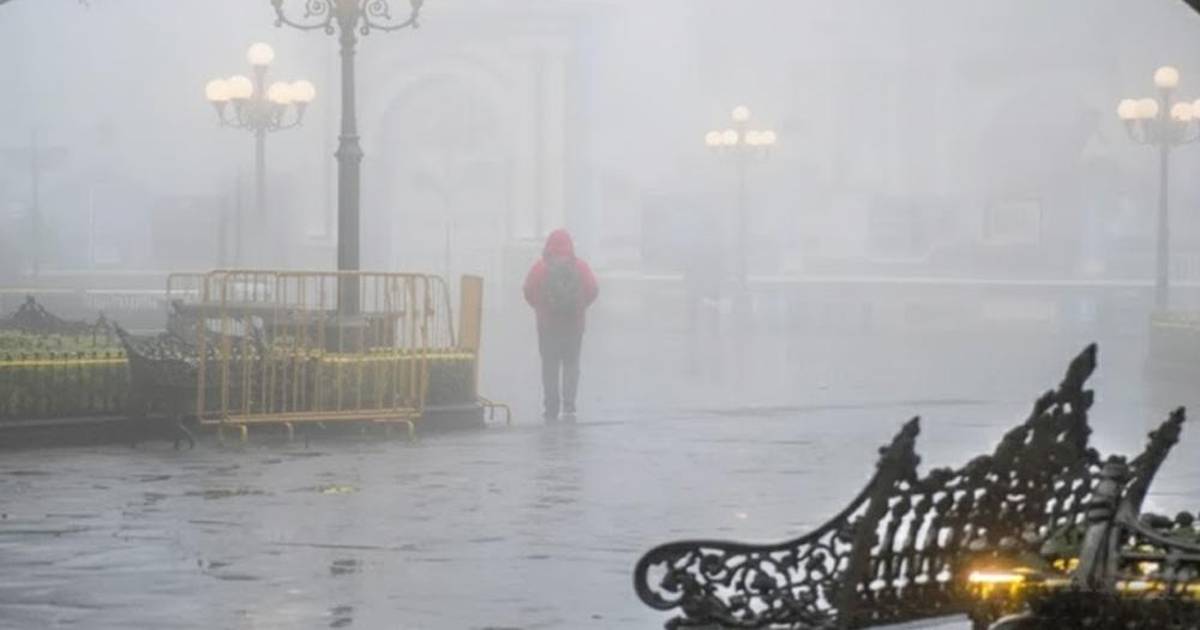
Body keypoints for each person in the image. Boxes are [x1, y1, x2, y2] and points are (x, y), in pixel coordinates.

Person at [523, 229, 598, 421]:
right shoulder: (580, 267)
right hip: (574, 326)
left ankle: (551, 407)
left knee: (550, 366)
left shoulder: (540, 268)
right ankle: (570, 406)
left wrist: (540, 308)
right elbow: (593, 289)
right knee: (572, 364)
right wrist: (581, 307)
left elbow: (528, 290)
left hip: (547, 326)